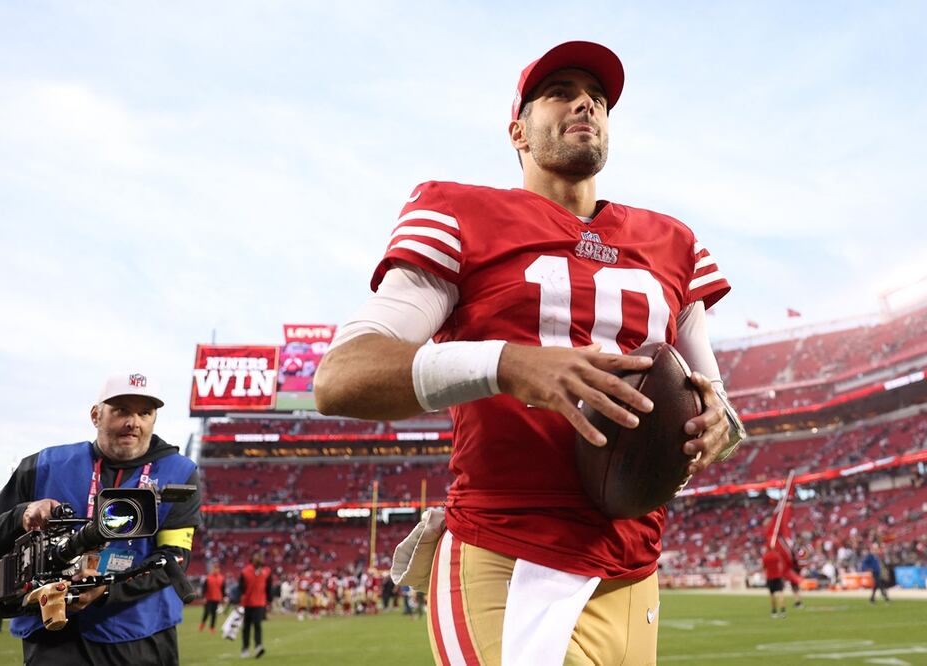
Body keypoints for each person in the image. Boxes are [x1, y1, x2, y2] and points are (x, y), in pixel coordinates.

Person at [314, 40, 745, 665]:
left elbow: (719, 409)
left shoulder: (672, 243)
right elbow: (340, 378)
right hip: (509, 555)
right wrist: (510, 364)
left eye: (597, 100)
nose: (585, 106)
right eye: (561, 92)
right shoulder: (460, 213)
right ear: (517, 129)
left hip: (636, 568)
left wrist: (714, 431)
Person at [0, 372, 201, 666]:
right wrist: (20, 516)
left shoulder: (179, 472)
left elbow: (174, 559)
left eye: (144, 413)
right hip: (54, 638)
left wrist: (106, 589)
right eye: (121, 410)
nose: (133, 422)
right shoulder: (42, 466)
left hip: (143, 639)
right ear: (96, 415)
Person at [239, 551, 272, 659]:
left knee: (257, 625)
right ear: (253, 558)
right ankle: (245, 649)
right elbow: (241, 588)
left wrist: (269, 600)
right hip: (247, 603)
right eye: (258, 556)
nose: (260, 559)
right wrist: (238, 601)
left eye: (261, 557)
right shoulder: (245, 571)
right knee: (246, 627)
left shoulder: (267, 571)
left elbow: (268, 587)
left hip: (259, 602)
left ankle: (258, 646)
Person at [200, 562, 225, 633]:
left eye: (217, 568)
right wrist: (203, 597)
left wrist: (223, 597)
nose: (216, 570)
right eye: (215, 568)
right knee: (206, 612)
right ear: (212, 569)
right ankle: (202, 624)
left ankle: (212, 627)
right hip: (208, 598)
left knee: (214, 614)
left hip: (216, 598)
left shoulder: (221, 578)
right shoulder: (208, 578)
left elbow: (223, 589)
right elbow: (204, 588)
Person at [762, 547, 786, 619]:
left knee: (772, 595)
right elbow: (781, 565)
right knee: (781, 594)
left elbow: (764, 567)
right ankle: (783, 611)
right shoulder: (777, 556)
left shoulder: (765, 557)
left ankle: (774, 611)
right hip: (778, 576)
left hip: (770, 577)